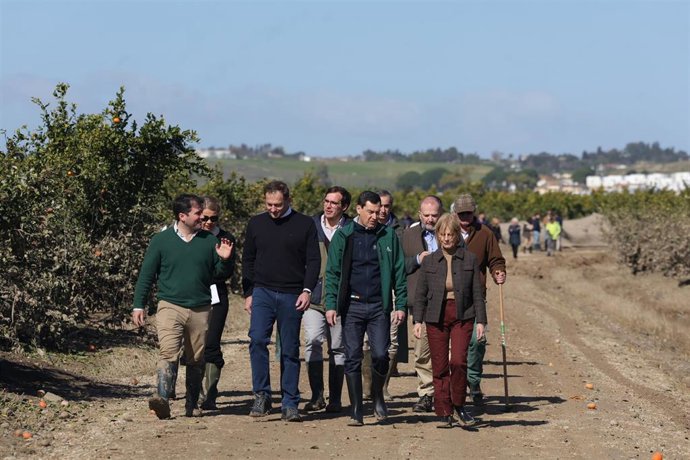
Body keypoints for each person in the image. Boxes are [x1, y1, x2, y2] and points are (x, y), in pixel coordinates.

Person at [132, 194, 234, 419]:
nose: (203, 217)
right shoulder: (161, 240)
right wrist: (138, 305)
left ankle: (192, 402)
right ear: (182, 216)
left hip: (200, 307)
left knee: (195, 358)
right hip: (170, 305)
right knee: (168, 351)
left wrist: (225, 260)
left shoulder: (209, 240)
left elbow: (219, 275)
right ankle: (162, 399)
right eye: (198, 213)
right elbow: (147, 275)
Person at [324, 191, 407, 426]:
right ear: (358, 209)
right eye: (370, 211)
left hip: (379, 307)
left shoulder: (388, 236)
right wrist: (331, 305)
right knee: (352, 356)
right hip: (352, 306)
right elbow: (332, 273)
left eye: (378, 211)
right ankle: (357, 409)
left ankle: (378, 394)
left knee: (381, 354)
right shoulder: (344, 236)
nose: (375, 216)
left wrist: (399, 304)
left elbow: (399, 273)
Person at [242, 180, 320, 422]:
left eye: (277, 204)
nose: (273, 209)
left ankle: (290, 402)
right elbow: (248, 260)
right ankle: (262, 395)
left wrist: (307, 291)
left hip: (291, 294)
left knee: (289, 349)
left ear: (288, 200)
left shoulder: (305, 224)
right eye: (269, 204)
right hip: (263, 292)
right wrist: (248, 292)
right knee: (256, 340)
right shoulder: (256, 223)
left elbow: (314, 261)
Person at [413, 213, 486, 427]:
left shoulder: (469, 259)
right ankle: (444, 411)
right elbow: (420, 294)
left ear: (457, 235)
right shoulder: (429, 261)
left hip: (463, 315)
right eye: (442, 234)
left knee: (459, 361)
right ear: (437, 235)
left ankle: (460, 406)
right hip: (436, 316)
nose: (446, 238)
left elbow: (477, 292)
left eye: (450, 234)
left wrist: (481, 321)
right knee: (440, 365)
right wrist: (418, 321)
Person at [302, 186, 352, 413]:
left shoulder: (352, 229)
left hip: (341, 299)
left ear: (345, 207)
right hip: (313, 296)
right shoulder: (310, 226)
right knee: (312, 341)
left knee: (338, 348)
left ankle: (335, 399)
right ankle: (316, 396)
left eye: (334, 202)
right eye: (326, 201)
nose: (328, 205)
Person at [453, 194, 506, 405]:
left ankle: (473, 382)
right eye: (461, 213)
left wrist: (498, 271)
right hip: (448, 296)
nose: (465, 217)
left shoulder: (485, 234)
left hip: (475, 297)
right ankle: (451, 388)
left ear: (474, 212)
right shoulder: (448, 232)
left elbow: (495, 259)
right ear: (455, 213)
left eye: (468, 212)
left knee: (477, 341)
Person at [361, 189, 404, 400]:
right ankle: (367, 385)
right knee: (367, 343)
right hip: (368, 292)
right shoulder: (361, 229)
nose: (383, 211)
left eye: (387, 206)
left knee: (391, 342)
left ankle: (383, 386)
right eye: (381, 207)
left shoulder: (398, 230)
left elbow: (401, 263)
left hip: (391, 292)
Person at [402, 195, 443, 413]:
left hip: (447, 300)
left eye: (434, 215)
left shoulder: (451, 235)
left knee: (446, 351)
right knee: (422, 351)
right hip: (421, 302)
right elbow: (399, 266)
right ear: (420, 214)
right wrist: (418, 259)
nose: (430, 219)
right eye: (426, 215)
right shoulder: (407, 235)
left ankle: (446, 394)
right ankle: (426, 394)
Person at [198, 196, 237, 410]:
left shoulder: (225, 238)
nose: (209, 222)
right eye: (205, 218)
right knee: (195, 346)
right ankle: (196, 392)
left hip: (216, 294)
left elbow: (227, 271)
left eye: (214, 218)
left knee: (211, 343)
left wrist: (222, 260)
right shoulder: (190, 236)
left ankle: (210, 394)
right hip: (193, 295)